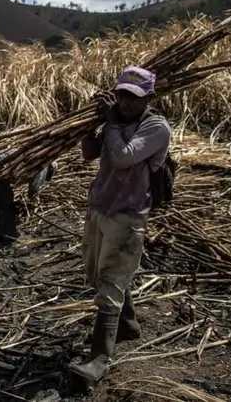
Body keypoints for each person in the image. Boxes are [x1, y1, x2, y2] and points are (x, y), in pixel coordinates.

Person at [71, 66, 171, 385]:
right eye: (122, 95)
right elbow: (91, 155)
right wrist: (89, 125)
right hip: (99, 208)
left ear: (150, 98)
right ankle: (127, 325)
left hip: (127, 215)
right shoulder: (117, 121)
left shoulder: (156, 127)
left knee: (112, 280)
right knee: (97, 274)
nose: (126, 101)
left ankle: (100, 357)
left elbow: (123, 157)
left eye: (134, 97)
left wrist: (110, 120)